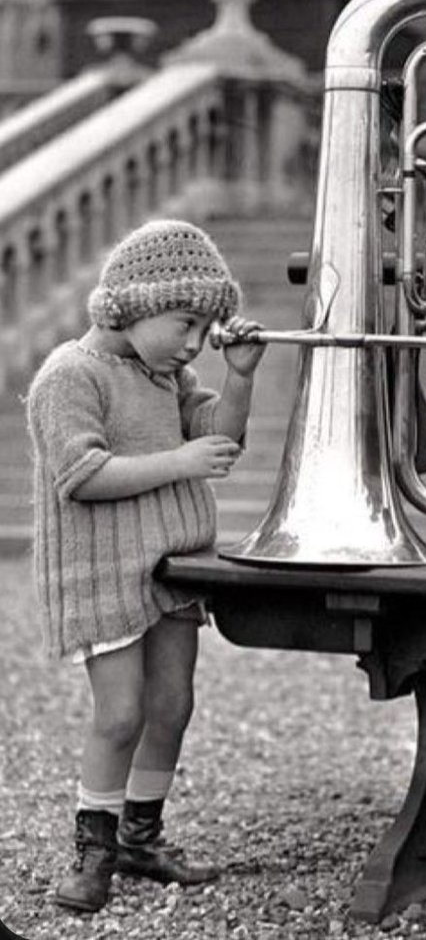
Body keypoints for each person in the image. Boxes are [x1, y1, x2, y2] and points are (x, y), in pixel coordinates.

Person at [25, 219, 265, 914]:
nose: (195, 341)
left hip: (172, 570)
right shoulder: (69, 375)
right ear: (135, 300)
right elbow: (82, 473)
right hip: (102, 572)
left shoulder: (170, 374)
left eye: (205, 327)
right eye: (186, 321)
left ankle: (141, 834)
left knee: (173, 702)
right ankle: (93, 847)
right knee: (121, 711)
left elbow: (221, 436)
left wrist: (238, 378)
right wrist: (180, 463)